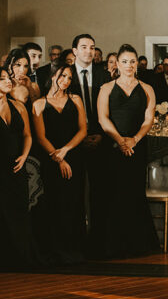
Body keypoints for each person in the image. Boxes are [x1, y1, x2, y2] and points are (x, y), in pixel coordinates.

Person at [95, 44, 160, 258]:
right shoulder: (106, 88)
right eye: (125, 61)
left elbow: (149, 119)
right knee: (113, 193)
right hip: (112, 148)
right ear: (117, 64)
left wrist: (134, 140)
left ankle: (137, 245)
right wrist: (120, 141)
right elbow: (103, 118)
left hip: (137, 147)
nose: (129, 65)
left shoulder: (147, 88)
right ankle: (112, 246)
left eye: (132, 61)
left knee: (133, 193)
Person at [0, 68, 40, 271]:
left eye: (8, 78)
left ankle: (20, 258)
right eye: (2, 79)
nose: (8, 81)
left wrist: (24, 155)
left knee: (19, 212)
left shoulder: (19, 107)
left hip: (16, 166)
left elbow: (28, 135)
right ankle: (0, 259)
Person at [31, 62, 88, 264]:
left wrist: (65, 151)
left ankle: (74, 250)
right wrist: (57, 157)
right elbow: (40, 137)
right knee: (53, 202)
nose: (66, 81)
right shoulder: (38, 103)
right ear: (53, 76)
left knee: (73, 202)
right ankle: (54, 250)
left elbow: (83, 130)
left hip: (73, 156)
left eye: (69, 78)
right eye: (62, 76)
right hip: (50, 159)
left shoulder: (76, 99)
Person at [69, 33, 111, 251]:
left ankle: (98, 241)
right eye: (84, 47)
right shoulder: (65, 76)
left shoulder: (104, 75)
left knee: (99, 192)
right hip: (74, 140)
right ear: (74, 51)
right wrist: (79, 136)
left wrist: (101, 135)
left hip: (99, 139)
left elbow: (111, 109)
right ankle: (76, 240)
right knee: (75, 192)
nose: (89, 51)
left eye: (92, 47)